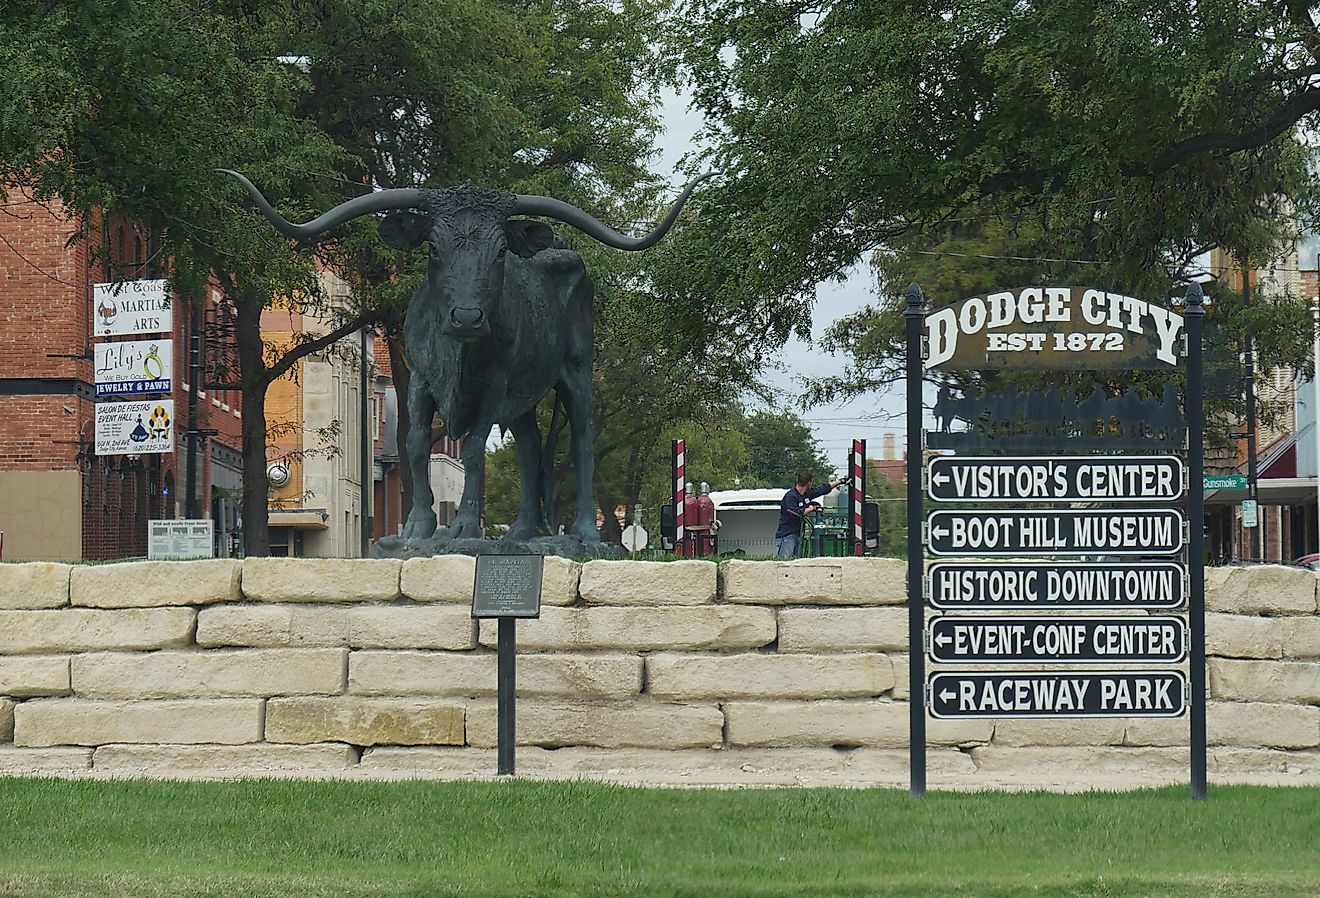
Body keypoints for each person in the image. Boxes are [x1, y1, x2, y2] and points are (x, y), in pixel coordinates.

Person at [776, 471, 845, 558]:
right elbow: (794, 513)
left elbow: (822, 489)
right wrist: (812, 508)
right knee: (785, 561)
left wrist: (840, 481)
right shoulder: (791, 496)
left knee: (796, 561)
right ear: (808, 483)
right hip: (787, 535)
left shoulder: (806, 494)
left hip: (798, 534)